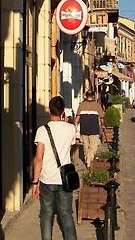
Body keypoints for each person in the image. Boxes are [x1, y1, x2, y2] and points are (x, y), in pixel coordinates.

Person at [32, 96, 77, 240]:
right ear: (63, 111)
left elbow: (38, 158)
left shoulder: (42, 130)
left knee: (46, 214)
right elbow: (71, 145)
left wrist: (35, 182)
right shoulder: (71, 128)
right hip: (64, 179)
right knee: (66, 215)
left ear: (49, 110)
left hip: (47, 178)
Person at [75, 90, 104, 169]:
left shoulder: (81, 105)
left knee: (86, 146)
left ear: (86, 96)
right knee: (93, 147)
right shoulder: (97, 105)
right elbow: (101, 118)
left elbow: (77, 117)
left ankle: (88, 160)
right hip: (94, 129)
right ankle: (89, 161)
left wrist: (75, 126)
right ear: (93, 96)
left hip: (84, 129)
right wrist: (103, 125)